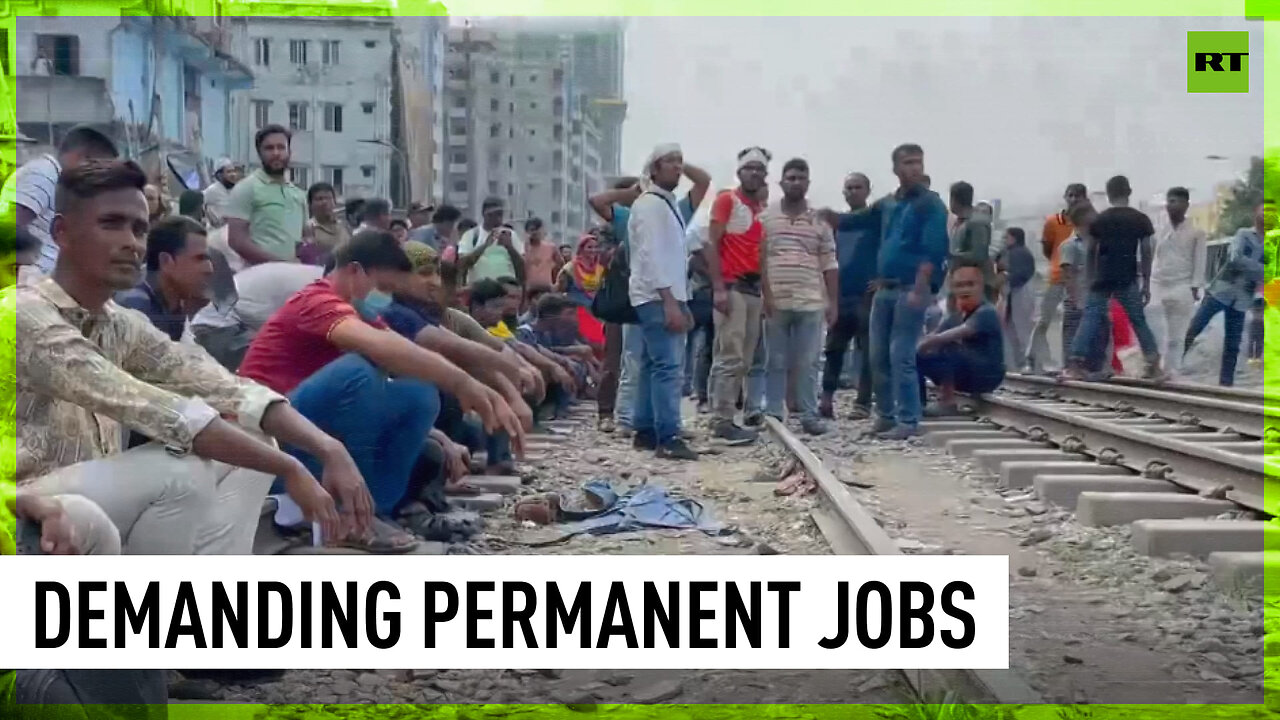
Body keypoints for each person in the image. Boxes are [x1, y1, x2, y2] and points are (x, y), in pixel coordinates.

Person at [16, 159, 371, 555]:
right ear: (61, 232)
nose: (131, 243)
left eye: (138, 229)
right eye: (111, 224)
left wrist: (328, 449)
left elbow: (226, 387)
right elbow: (157, 409)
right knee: (180, 472)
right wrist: (292, 467)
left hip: (95, 498)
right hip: (22, 505)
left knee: (256, 438)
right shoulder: (24, 314)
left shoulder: (120, 322)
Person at [238, 230, 523, 545]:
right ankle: (350, 516)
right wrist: (462, 381)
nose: (384, 299)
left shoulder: (360, 312)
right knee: (358, 372)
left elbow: (401, 350)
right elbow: (382, 346)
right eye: (383, 288)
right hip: (268, 442)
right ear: (355, 271)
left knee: (418, 392)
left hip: (308, 437)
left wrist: (444, 426)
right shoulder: (316, 300)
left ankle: (372, 510)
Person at [588, 164, 709, 437]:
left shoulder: (674, 211)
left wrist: (676, 161)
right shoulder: (629, 215)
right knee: (636, 361)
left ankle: (652, 422)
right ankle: (630, 420)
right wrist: (628, 194)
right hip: (638, 296)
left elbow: (702, 182)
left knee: (661, 363)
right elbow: (597, 201)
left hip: (665, 295)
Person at [868, 143, 949, 439]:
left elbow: (934, 249)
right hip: (886, 288)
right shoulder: (891, 203)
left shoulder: (931, 204)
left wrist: (920, 288)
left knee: (900, 354)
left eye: (918, 162)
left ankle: (908, 419)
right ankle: (886, 415)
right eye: (908, 163)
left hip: (909, 290)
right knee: (878, 355)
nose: (915, 168)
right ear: (896, 168)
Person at [626, 143, 698, 460]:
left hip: (663, 294)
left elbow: (672, 258)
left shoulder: (663, 204)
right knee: (668, 367)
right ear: (654, 168)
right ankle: (668, 436)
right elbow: (652, 256)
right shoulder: (651, 205)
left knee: (652, 364)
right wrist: (670, 301)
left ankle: (645, 429)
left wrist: (683, 301)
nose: (678, 167)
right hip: (657, 296)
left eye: (681, 161)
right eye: (670, 162)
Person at [759, 158, 837, 436]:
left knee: (808, 361)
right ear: (781, 182)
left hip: (811, 300)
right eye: (790, 178)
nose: (795, 183)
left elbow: (829, 263)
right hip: (776, 300)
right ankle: (774, 414)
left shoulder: (819, 221)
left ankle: (808, 415)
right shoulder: (766, 219)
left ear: (807, 183)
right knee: (775, 360)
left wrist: (833, 303)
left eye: (800, 178)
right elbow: (760, 259)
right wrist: (765, 296)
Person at [1063, 175, 1167, 381]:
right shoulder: (1140, 219)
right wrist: (1145, 282)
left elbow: (1092, 249)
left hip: (1102, 277)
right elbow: (1146, 251)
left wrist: (1091, 277)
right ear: (1129, 192)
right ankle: (1153, 363)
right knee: (1138, 320)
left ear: (1109, 195)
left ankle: (1075, 363)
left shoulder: (1100, 220)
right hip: (1127, 277)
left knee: (1090, 318)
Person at [704, 147, 771, 444]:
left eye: (760, 169)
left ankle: (724, 414)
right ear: (740, 172)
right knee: (729, 355)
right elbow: (710, 244)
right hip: (732, 287)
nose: (754, 173)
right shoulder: (726, 200)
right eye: (750, 168)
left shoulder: (760, 209)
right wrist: (718, 287)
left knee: (743, 358)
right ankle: (721, 418)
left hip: (752, 290)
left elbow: (763, 255)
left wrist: (767, 293)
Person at [5, 124, 119, 274]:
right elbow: (11, 224)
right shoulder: (44, 173)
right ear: (82, 157)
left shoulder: (62, 182)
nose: (100, 176)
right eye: (99, 167)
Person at [1184, 202, 1267, 387]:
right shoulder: (1243, 234)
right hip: (1220, 291)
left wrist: (1256, 269)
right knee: (1194, 327)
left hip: (1242, 299)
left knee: (1233, 345)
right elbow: (1235, 258)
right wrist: (1262, 269)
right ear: (1256, 213)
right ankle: (1171, 365)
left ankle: (1225, 386)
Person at [819, 172, 879, 420]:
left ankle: (862, 402)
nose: (853, 191)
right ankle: (826, 399)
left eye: (858, 187)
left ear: (867, 191)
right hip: (840, 295)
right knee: (834, 348)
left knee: (867, 351)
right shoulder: (835, 225)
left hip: (866, 295)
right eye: (849, 187)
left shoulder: (875, 221)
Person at [916, 261, 1007, 416]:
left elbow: (953, 334)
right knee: (917, 356)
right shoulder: (956, 315)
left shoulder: (987, 312)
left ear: (980, 286)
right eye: (959, 285)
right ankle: (917, 404)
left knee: (946, 346)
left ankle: (947, 402)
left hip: (988, 374)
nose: (965, 290)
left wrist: (926, 344)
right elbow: (934, 334)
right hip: (968, 372)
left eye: (970, 284)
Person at [115, 216, 213, 343]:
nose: (209, 268)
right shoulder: (135, 306)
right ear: (166, 261)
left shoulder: (175, 299)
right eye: (200, 258)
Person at [1025, 183, 1088, 373]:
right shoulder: (1053, 222)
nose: (1074, 199)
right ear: (1065, 197)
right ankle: (1032, 359)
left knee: (1071, 322)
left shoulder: (1087, 223)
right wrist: (1058, 262)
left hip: (1078, 279)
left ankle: (1068, 363)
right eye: (1070, 195)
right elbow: (1047, 248)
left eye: (1078, 196)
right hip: (1055, 276)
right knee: (1044, 319)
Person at [225, 124, 308, 266]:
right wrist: (278, 264)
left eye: (281, 147)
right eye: (269, 148)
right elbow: (236, 241)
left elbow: (304, 237)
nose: (276, 153)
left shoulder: (298, 194)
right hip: (260, 277)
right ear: (259, 153)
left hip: (294, 276)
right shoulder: (246, 188)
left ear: (289, 152)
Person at [1150, 186, 1207, 376]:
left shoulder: (1197, 232)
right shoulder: (1159, 229)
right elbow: (1152, 255)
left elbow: (1200, 261)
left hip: (1182, 286)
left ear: (1186, 204)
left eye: (1175, 201)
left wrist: (1194, 287)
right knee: (1157, 332)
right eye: (1168, 201)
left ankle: (1172, 372)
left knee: (1177, 336)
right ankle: (1156, 369)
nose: (1170, 205)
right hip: (1157, 285)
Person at [555, 232, 607, 352]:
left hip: (597, 313)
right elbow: (559, 291)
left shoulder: (601, 269)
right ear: (581, 249)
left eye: (595, 247)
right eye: (589, 247)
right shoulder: (570, 268)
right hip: (577, 312)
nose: (593, 250)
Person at [457, 197, 525, 285]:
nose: (496, 218)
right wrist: (485, 245)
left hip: (506, 288)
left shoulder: (511, 235)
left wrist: (510, 247)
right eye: (491, 215)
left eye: (499, 214)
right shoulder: (472, 235)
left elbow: (523, 267)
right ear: (484, 214)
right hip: (479, 289)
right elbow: (462, 264)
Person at [947, 181, 996, 301]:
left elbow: (979, 254)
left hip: (977, 285)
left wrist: (952, 256)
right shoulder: (960, 222)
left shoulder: (977, 222)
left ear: (955, 199)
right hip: (962, 282)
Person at [996, 227, 1037, 368]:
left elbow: (1020, 275)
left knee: (1022, 329)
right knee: (1011, 329)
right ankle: (1016, 363)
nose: (1003, 241)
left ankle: (1027, 362)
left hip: (1020, 293)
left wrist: (1005, 278)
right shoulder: (1010, 252)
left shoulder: (1019, 253)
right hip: (1013, 295)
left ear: (1013, 238)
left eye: (1005, 237)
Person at [299, 181, 350, 266]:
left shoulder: (344, 226)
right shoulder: (308, 228)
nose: (324, 202)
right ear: (310, 204)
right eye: (319, 199)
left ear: (335, 202)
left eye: (328, 198)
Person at [203, 157, 242, 228]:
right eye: (229, 172)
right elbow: (199, 202)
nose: (233, 174)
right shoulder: (213, 190)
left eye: (233, 171)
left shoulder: (238, 189)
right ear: (219, 175)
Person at [524, 217, 560, 288]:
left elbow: (560, 265)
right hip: (529, 290)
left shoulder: (551, 247)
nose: (535, 232)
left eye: (537, 229)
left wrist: (555, 283)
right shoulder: (522, 249)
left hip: (547, 288)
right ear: (527, 232)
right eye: (532, 230)